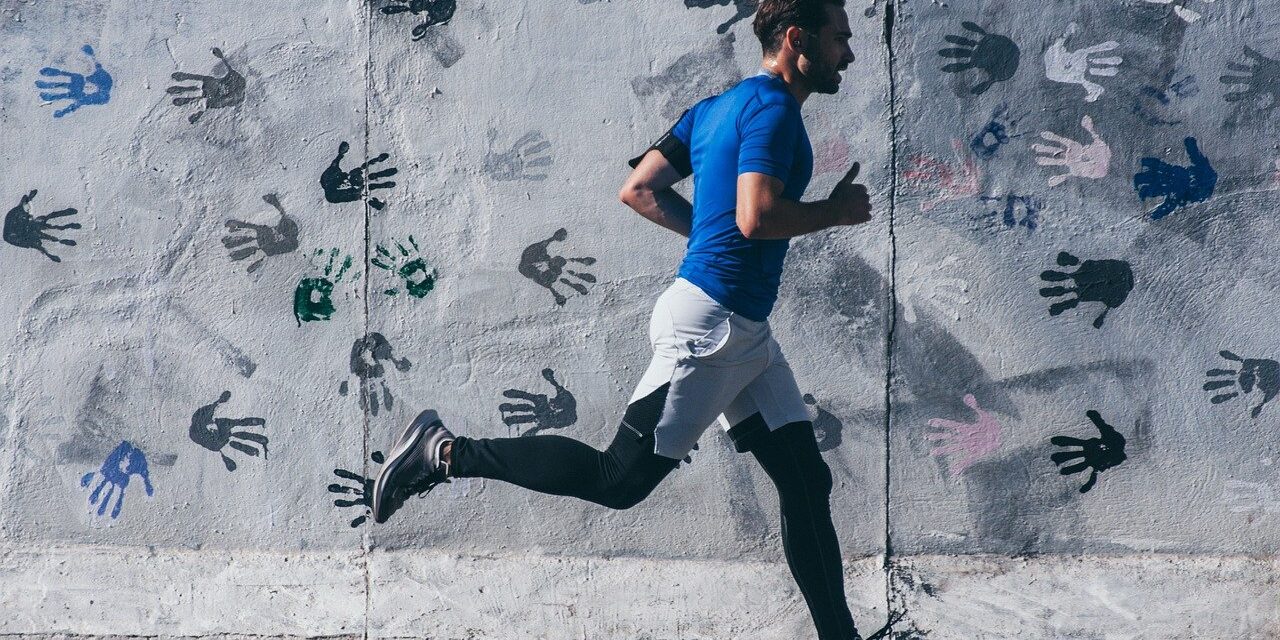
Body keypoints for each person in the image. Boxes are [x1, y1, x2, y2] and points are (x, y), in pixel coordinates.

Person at [371, 1, 897, 637]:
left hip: (742, 331)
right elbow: (756, 217)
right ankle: (443, 452)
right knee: (617, 479)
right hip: (714, 331)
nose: (850, 52)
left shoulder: (711, 110)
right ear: (796, 39)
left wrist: (710, 235)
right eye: (840, 37)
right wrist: (832, 214)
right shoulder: (776, 110)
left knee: (805, 481)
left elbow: (641, 188)